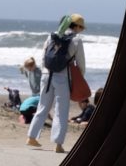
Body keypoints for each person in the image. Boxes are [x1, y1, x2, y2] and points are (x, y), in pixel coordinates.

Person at [25, 14, 86, 154]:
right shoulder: (76, 40)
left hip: (46, 75)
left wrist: (45, 73)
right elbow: (80, 63)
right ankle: (58, 144)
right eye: (81, 27)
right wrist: (79, 78)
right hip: (62, 78)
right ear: (75, 26)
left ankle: (31, 137)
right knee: (61, 110)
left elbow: (43, 57)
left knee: (43, 106)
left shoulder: (51, 36)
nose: (81, 30)